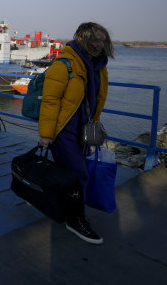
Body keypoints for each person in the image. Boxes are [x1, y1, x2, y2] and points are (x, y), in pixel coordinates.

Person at [38, 22, 114, 245]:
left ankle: (61, 206)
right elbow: (50, 101)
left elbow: (96, 97)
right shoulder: (64, 65)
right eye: (96, 40)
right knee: (80, 175)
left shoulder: (98, 65)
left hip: (83, 129)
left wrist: (95, 124)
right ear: (82, 39)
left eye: (103, 40)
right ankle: (76, 220)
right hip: (64, 131)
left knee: (67, 174)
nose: (100, 45)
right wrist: (45, 134)